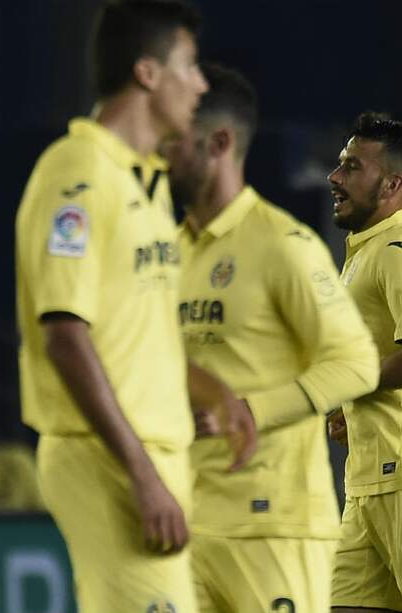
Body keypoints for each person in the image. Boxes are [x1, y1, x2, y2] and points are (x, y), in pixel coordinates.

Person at [15, 2, 254, 611]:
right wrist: (141, 475)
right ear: (147, 73)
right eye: (189, 66)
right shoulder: (77, 173)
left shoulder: (143, 183)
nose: (200, 85)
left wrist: (214, 394)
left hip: (155, 455)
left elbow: (136, 338)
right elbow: (65, 335)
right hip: (109, 461)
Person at [165, 64, 379, 613]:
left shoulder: (283, 244)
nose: (162, 151)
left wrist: (249, 411)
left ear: (219, 142)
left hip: (275, 528)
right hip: (187, 523)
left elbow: (357, 363)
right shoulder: (166, 255)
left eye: (175, 139)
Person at [326, 113, 402, 612]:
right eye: (340, 163)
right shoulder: (364, 251)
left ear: (392, 184)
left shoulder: (396, 248)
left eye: (352, 166)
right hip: (367, 480)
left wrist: (351, 382)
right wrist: (350, 409)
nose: (335, 177)